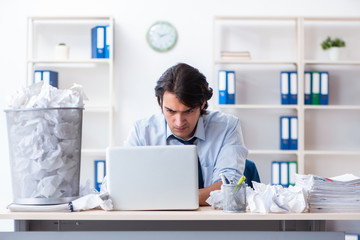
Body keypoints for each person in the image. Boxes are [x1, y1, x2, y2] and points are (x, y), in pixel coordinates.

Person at [124, 63, 248, 205]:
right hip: (155, 219)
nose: (178, 122)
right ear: (160, 102)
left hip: (211, 220)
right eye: (170, 111)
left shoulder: (227, 127)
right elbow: (119, 183)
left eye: (188, 111)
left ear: (202, 103)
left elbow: (229, 188)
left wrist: (166, 199)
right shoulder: (142, 131)